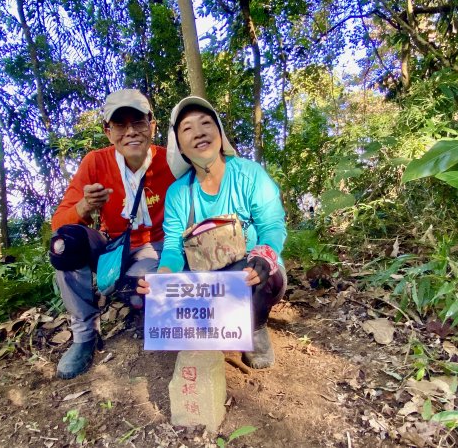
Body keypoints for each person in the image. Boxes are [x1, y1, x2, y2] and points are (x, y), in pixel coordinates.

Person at [138, 96, 287, 369]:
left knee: (260, 276)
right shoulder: (178, 193)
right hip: (203, 276)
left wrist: (265, 258)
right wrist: (162, 280)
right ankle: (214, 335)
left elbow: (272, 226)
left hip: (249, 271)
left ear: (219, 132)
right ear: (179, 146)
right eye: (187, 128)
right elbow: (172, 246)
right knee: (147, 294)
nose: (199, 132)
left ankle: (254, 327)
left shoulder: (250, 175)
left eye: (207, 123)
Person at [49, 89, 175, 379]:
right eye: (120, 124)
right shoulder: (96, 162)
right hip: (113, 245)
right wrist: (84, 206)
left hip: (155, 247)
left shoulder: (171, 162)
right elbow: (60, 221)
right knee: (65, 244)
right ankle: (84, 336)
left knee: (142, 291)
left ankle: (133, 296)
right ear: (108, 132)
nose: (130, 131)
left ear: (152, 126)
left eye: (139, 122)